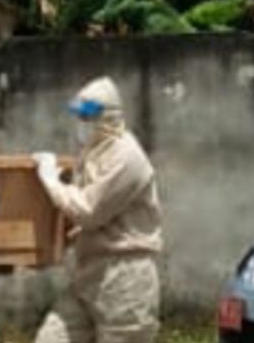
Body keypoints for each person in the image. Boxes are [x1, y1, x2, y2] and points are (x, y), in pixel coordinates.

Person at [31, 77, 163, 343]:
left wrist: (50, 181)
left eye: (87, 117)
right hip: (89, 271)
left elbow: (88, 210)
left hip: (125, 277)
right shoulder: (93, 153)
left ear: (109, 118)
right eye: (79, 116)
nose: (82, 124)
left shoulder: (127, 157)